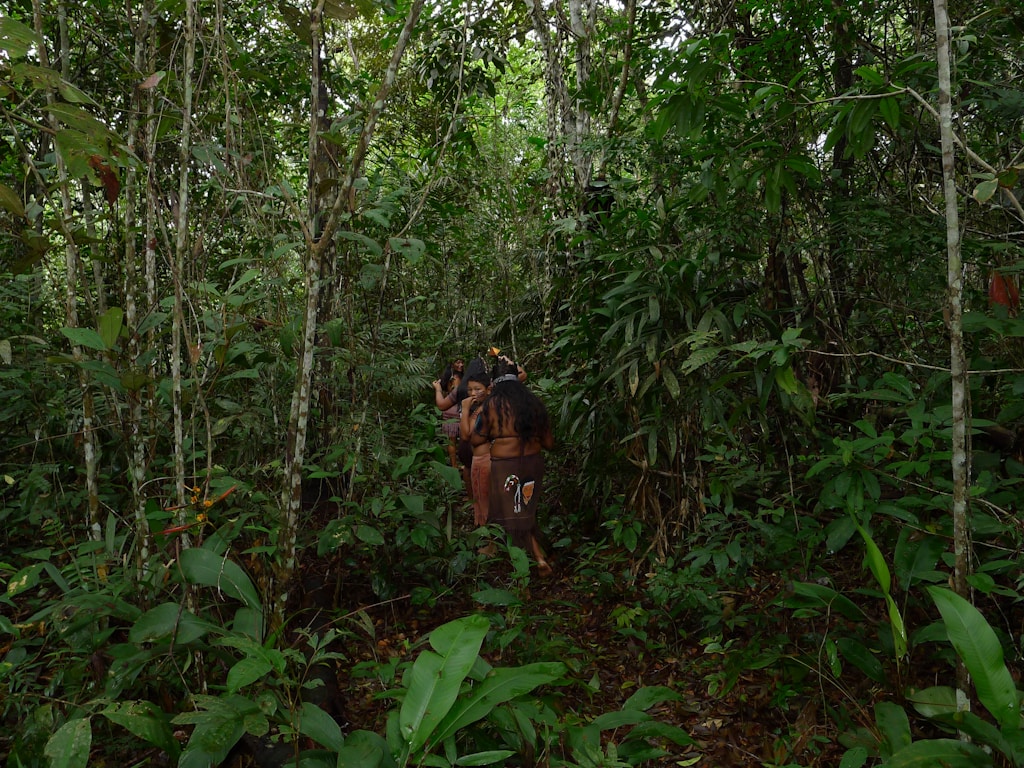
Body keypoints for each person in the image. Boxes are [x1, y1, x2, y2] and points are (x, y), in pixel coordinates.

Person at [475, 358, 554, 576]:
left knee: (513, 512)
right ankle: (537, 555)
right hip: (533, 463)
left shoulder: (491, 406)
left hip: (505, 466)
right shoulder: (534, 403)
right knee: (524, 508)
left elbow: (475, 438)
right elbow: (549, 443)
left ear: (495, 383)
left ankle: (533, 561)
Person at [460, 367, 492, 527]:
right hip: (479, 460)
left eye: (477, 389)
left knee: (485, 500)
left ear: (488, 390)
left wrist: (464, 409)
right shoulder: (480, 408)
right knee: (480, 498)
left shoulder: (485, 409)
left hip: (484, 460)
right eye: (470, 390)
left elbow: (466, 435)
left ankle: (490, 544)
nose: (473, 393)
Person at [431, 358, 463, 469]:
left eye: (462, 362)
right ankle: (457, 465)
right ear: (452, 364)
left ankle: (455, 464)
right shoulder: (455, 377)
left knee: (452, 441)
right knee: (455, 440)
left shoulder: (449, 375)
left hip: (448, 408)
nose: (461, 365)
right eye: (458, 362)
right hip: (455, 409)